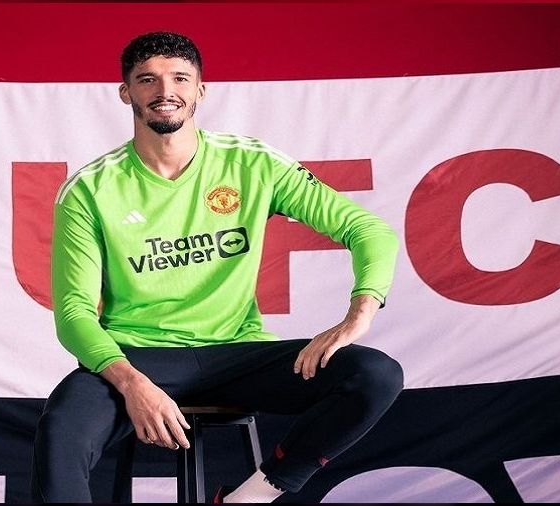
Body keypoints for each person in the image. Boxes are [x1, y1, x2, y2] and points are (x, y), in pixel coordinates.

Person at [30, 31, 404, 503]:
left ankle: (253, 496)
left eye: (179, 78)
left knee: (374, 374)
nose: (165, 90)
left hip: (238, 353)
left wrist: (359, 315)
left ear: (200, 90)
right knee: (61, 430)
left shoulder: (252, 163)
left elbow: (368, 230)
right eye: (147, 79)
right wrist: (131, 382)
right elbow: (73, 312)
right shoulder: (90, 188)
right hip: (139, 354)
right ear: (126, 92)